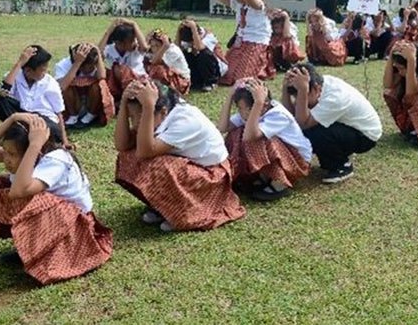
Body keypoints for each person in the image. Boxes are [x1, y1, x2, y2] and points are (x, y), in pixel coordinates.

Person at [0, 113, 112, 284]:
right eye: (6, 151)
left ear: (37, 150)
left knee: (31, 199)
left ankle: (50, 256)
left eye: (12, 154)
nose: (6, 159)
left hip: (75, 228)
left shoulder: (56, 159)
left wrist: (35, 144)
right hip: (56, 221)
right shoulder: (25, 154)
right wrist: (10, 120)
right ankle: (31, 248)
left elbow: (18, 191)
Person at [114, 80, 245, 232]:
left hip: (211, 176)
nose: (136, 123)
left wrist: (148, 107)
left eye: (140, 117)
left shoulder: (185, 121)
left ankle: (184, 213)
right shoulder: (162, 114)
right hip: (191, 166)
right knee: (128, 156)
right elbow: (122, 145)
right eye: (132, 117)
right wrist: (124, 102)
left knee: (158, 165)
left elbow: (144, 152)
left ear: (163, 112)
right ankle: (164, 207)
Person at [283, 62, 382, 183]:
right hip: (347, 127)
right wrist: (285, 88)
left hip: (366, 136)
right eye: (296, 96)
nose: (299, 100)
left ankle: (342, 166)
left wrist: (303, 89)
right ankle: (333, 157)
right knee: (308, 129)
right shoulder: (319, 86)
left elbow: (302, 125)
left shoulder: (334, 98)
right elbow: (290, 117)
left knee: (314, 132)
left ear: (316, 88)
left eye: (303, 95)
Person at [218, 78, 312, 201]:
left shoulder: (278, 114)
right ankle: (263, 177)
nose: (242, 113)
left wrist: (258, 103)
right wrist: (230, 96)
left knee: (256, 139)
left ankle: (279, 183)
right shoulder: (248, 113)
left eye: (245, 109)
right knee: (235, 134)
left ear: (264, 105)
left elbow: (249, 137)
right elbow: (223, 127)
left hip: (297, 161)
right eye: (239, 108)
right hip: (284, 154)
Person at [0, 45, 70, 148]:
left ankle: (22, 135)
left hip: (44, 120)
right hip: (23, 116)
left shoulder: (50, 82)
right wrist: (19, 63)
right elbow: (2, 93)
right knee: (0, 102)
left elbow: (58, 113)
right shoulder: (14, 76)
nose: (46, 73)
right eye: (43, 70)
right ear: (28, 71)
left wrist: (65, 141)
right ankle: (22, 134)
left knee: (52, 130)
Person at [216, 0, 275, 85]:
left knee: (242, 77)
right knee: (226, 72)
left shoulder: (258, 4)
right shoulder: (237, 3)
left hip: (256, 41)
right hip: (241, 40)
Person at [54, 43, 114, 128]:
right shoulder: (63, 65)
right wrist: (77, 63)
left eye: (90, 68)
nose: (87, 70)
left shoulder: (96, 61)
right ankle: (73, 116)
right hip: (73, 102)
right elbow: (61, 87)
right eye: (83, 68)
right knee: (67, 87)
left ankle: (90, 115)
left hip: (91, 101)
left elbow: (102, 77)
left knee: (100, 85)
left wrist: (98, 55)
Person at [98, 18, 148, 104]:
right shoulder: (110, 50)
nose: (134, 43)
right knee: (114, 70)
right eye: (131, 41)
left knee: (120, 69)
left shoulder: (136, 50)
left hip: (138, 81)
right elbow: (98, 53)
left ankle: (129, 99)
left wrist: (134, 24)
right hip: (117, 84)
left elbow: (144, 47)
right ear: (119, 43)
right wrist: (108, 32)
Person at [175, 17, 228, 91]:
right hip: (199, 70)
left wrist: (193, 28)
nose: (190, 43)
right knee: (183, 54)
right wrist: (178, 31)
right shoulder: (187, 36)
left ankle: (210, 83)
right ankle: (193, 82)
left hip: (215, 70)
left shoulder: (208, 37)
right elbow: (177, 50)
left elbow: (200, 47)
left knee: (204, 54)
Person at [145, 29, 191, 95]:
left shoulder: (173, 50)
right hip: (170, 77)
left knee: (157, 69)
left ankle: (169, 91)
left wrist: (165, 46)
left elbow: (155, 62)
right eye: (152, 46)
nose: (154, 48)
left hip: (181, 80)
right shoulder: (156, 52)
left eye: (157, 45)